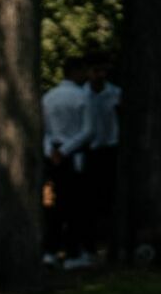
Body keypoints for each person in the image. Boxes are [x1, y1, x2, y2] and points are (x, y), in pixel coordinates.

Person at [41, 64, 95, 270]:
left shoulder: (48, 97)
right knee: (75, 206)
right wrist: (66, 150)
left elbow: (44, 132)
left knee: (56, 206)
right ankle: (73, 252)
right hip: (73, 157)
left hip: (54, 155)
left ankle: (51, 251)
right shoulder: (82, 97)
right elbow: (88, 131)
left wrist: (51, 152)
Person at [84, 60, 121, 260]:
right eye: (95, 69)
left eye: (102, 70)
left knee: (110, 200)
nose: (99, 74)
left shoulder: (115, 93)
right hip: (89, 150)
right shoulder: (82, 94)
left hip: (110, 150)